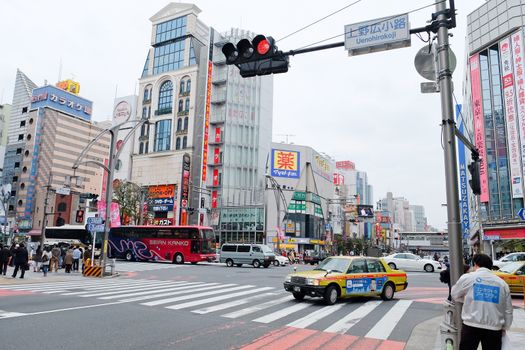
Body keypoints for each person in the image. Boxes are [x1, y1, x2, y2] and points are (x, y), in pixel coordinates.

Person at [451, 253, 513, 350]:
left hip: (471, 325)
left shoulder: (468, 278)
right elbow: (508, 310)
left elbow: (455, 294)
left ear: (475, 264)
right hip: (494, 327)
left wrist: (468, 299)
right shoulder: (502, 283)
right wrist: (505, 327)